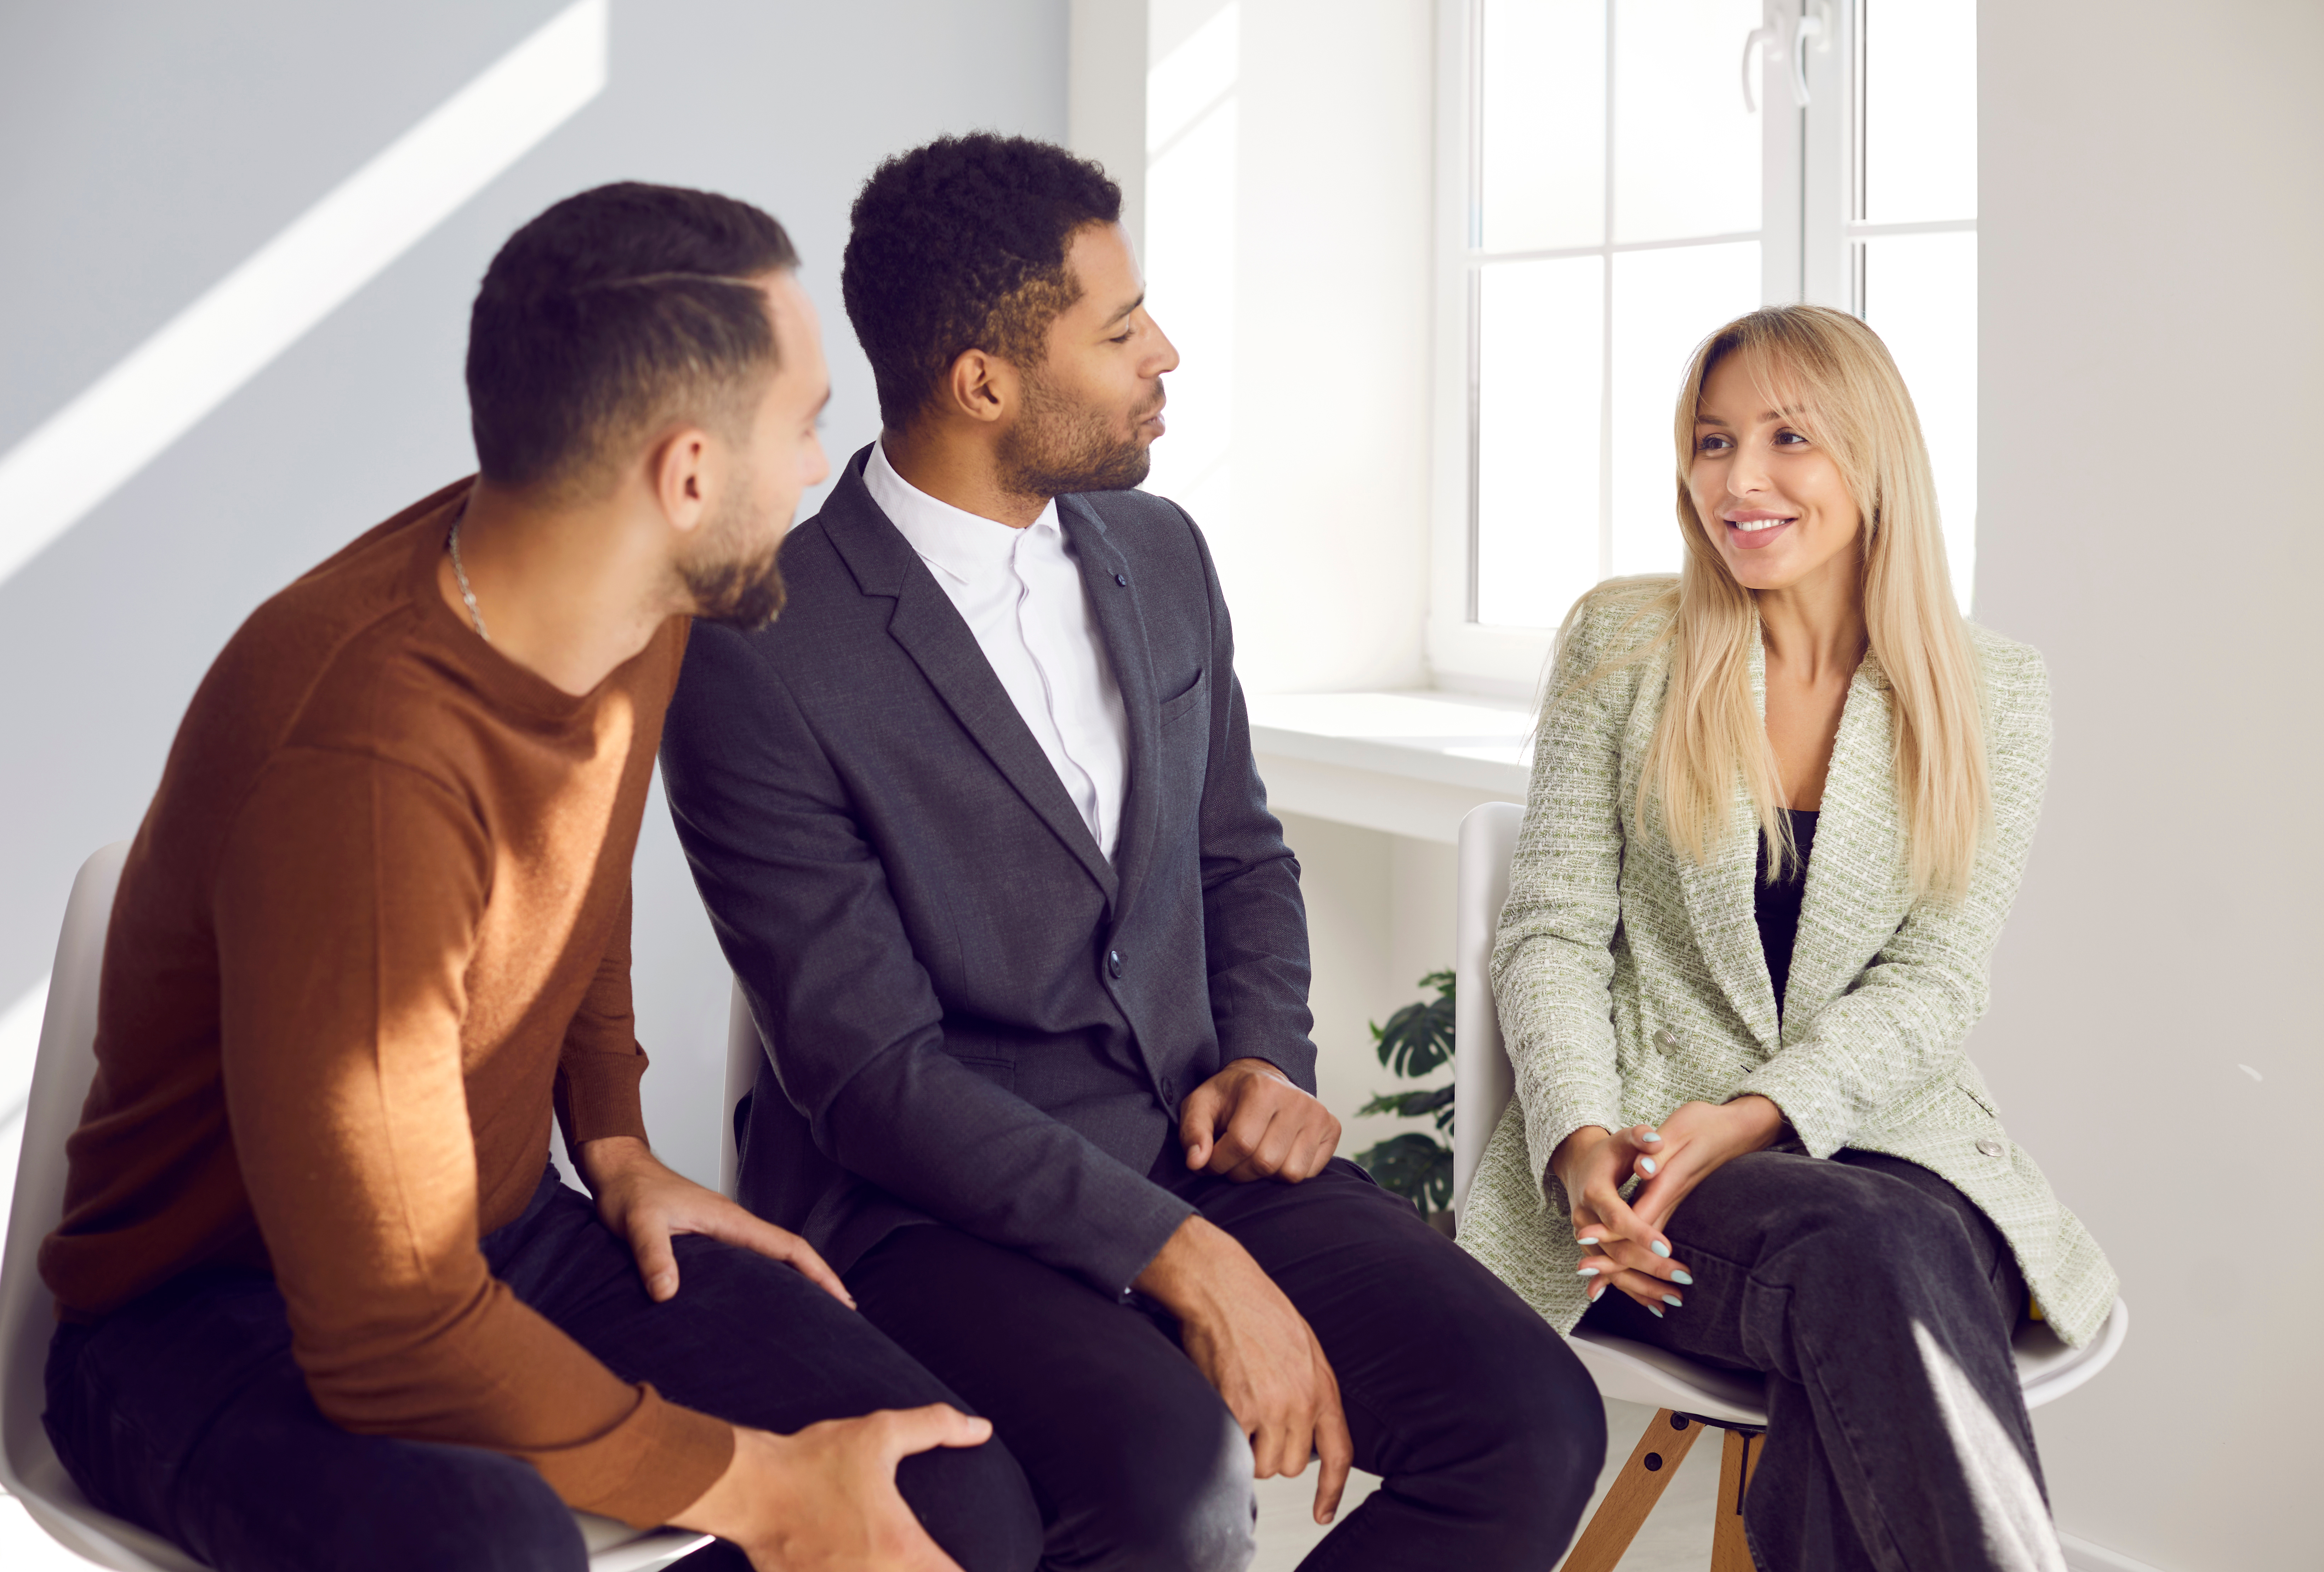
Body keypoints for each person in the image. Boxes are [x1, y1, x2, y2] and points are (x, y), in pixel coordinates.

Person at [37, 182, 1040, 1572]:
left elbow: (581, 857)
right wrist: (761, 1488)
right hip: (200, 1319)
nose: (822, 468)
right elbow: (386, 1332)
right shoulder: (362, 768)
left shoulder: (627, 592)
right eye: (805, 426)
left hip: (497, 1236)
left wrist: (613, 1133)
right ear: (687, 474)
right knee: (498, 1553)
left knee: (948, 1486)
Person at [657, 133, 1605, 1572]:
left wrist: (1271, 1062)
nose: (1164, 352)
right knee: (1171, 1487)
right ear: (985, 382)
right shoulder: (757, 646)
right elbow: (867, 1077)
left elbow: (1238, 856)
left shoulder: (1159, 553)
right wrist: (1183, 1259)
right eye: (1119, 330)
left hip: (1199, 1139)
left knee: (1533, 1422)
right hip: (929, 1208)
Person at [1456, 304, 2120, 1571]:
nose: (1738, 481)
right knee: (1873, 1264)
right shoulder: (1626, 642)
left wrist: (1763, 1108)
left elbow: (1936, 979)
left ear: (1872, 462)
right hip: (1659, 1160)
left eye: (1786, 439)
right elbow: (1547, 933)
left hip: (1904, 1145)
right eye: (1711, 442)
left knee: (1888, 1254)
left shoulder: (1994, 692)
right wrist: (1583, 1139)